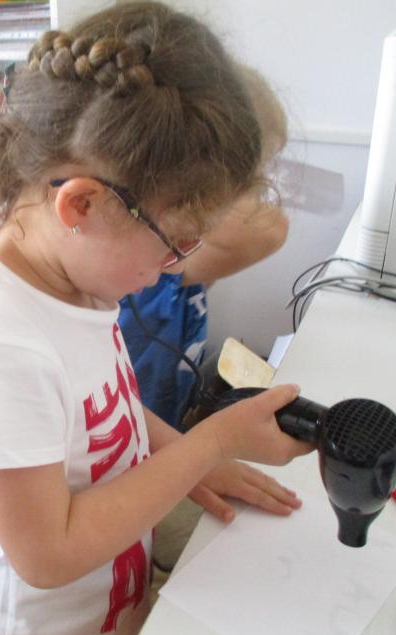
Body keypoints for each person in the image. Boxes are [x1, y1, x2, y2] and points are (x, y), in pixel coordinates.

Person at [0, 4, 313, 635]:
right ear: (81, 205)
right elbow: (48, 555)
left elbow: (112, 404)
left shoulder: (76, 278)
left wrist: (188, 458)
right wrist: (211, 442)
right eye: (175, 241)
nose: (176, 265)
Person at [118, 64, 290, 430]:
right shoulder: (148, 265)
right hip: (137, 441)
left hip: (166, 422)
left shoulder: (186, 245)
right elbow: (272, 228)